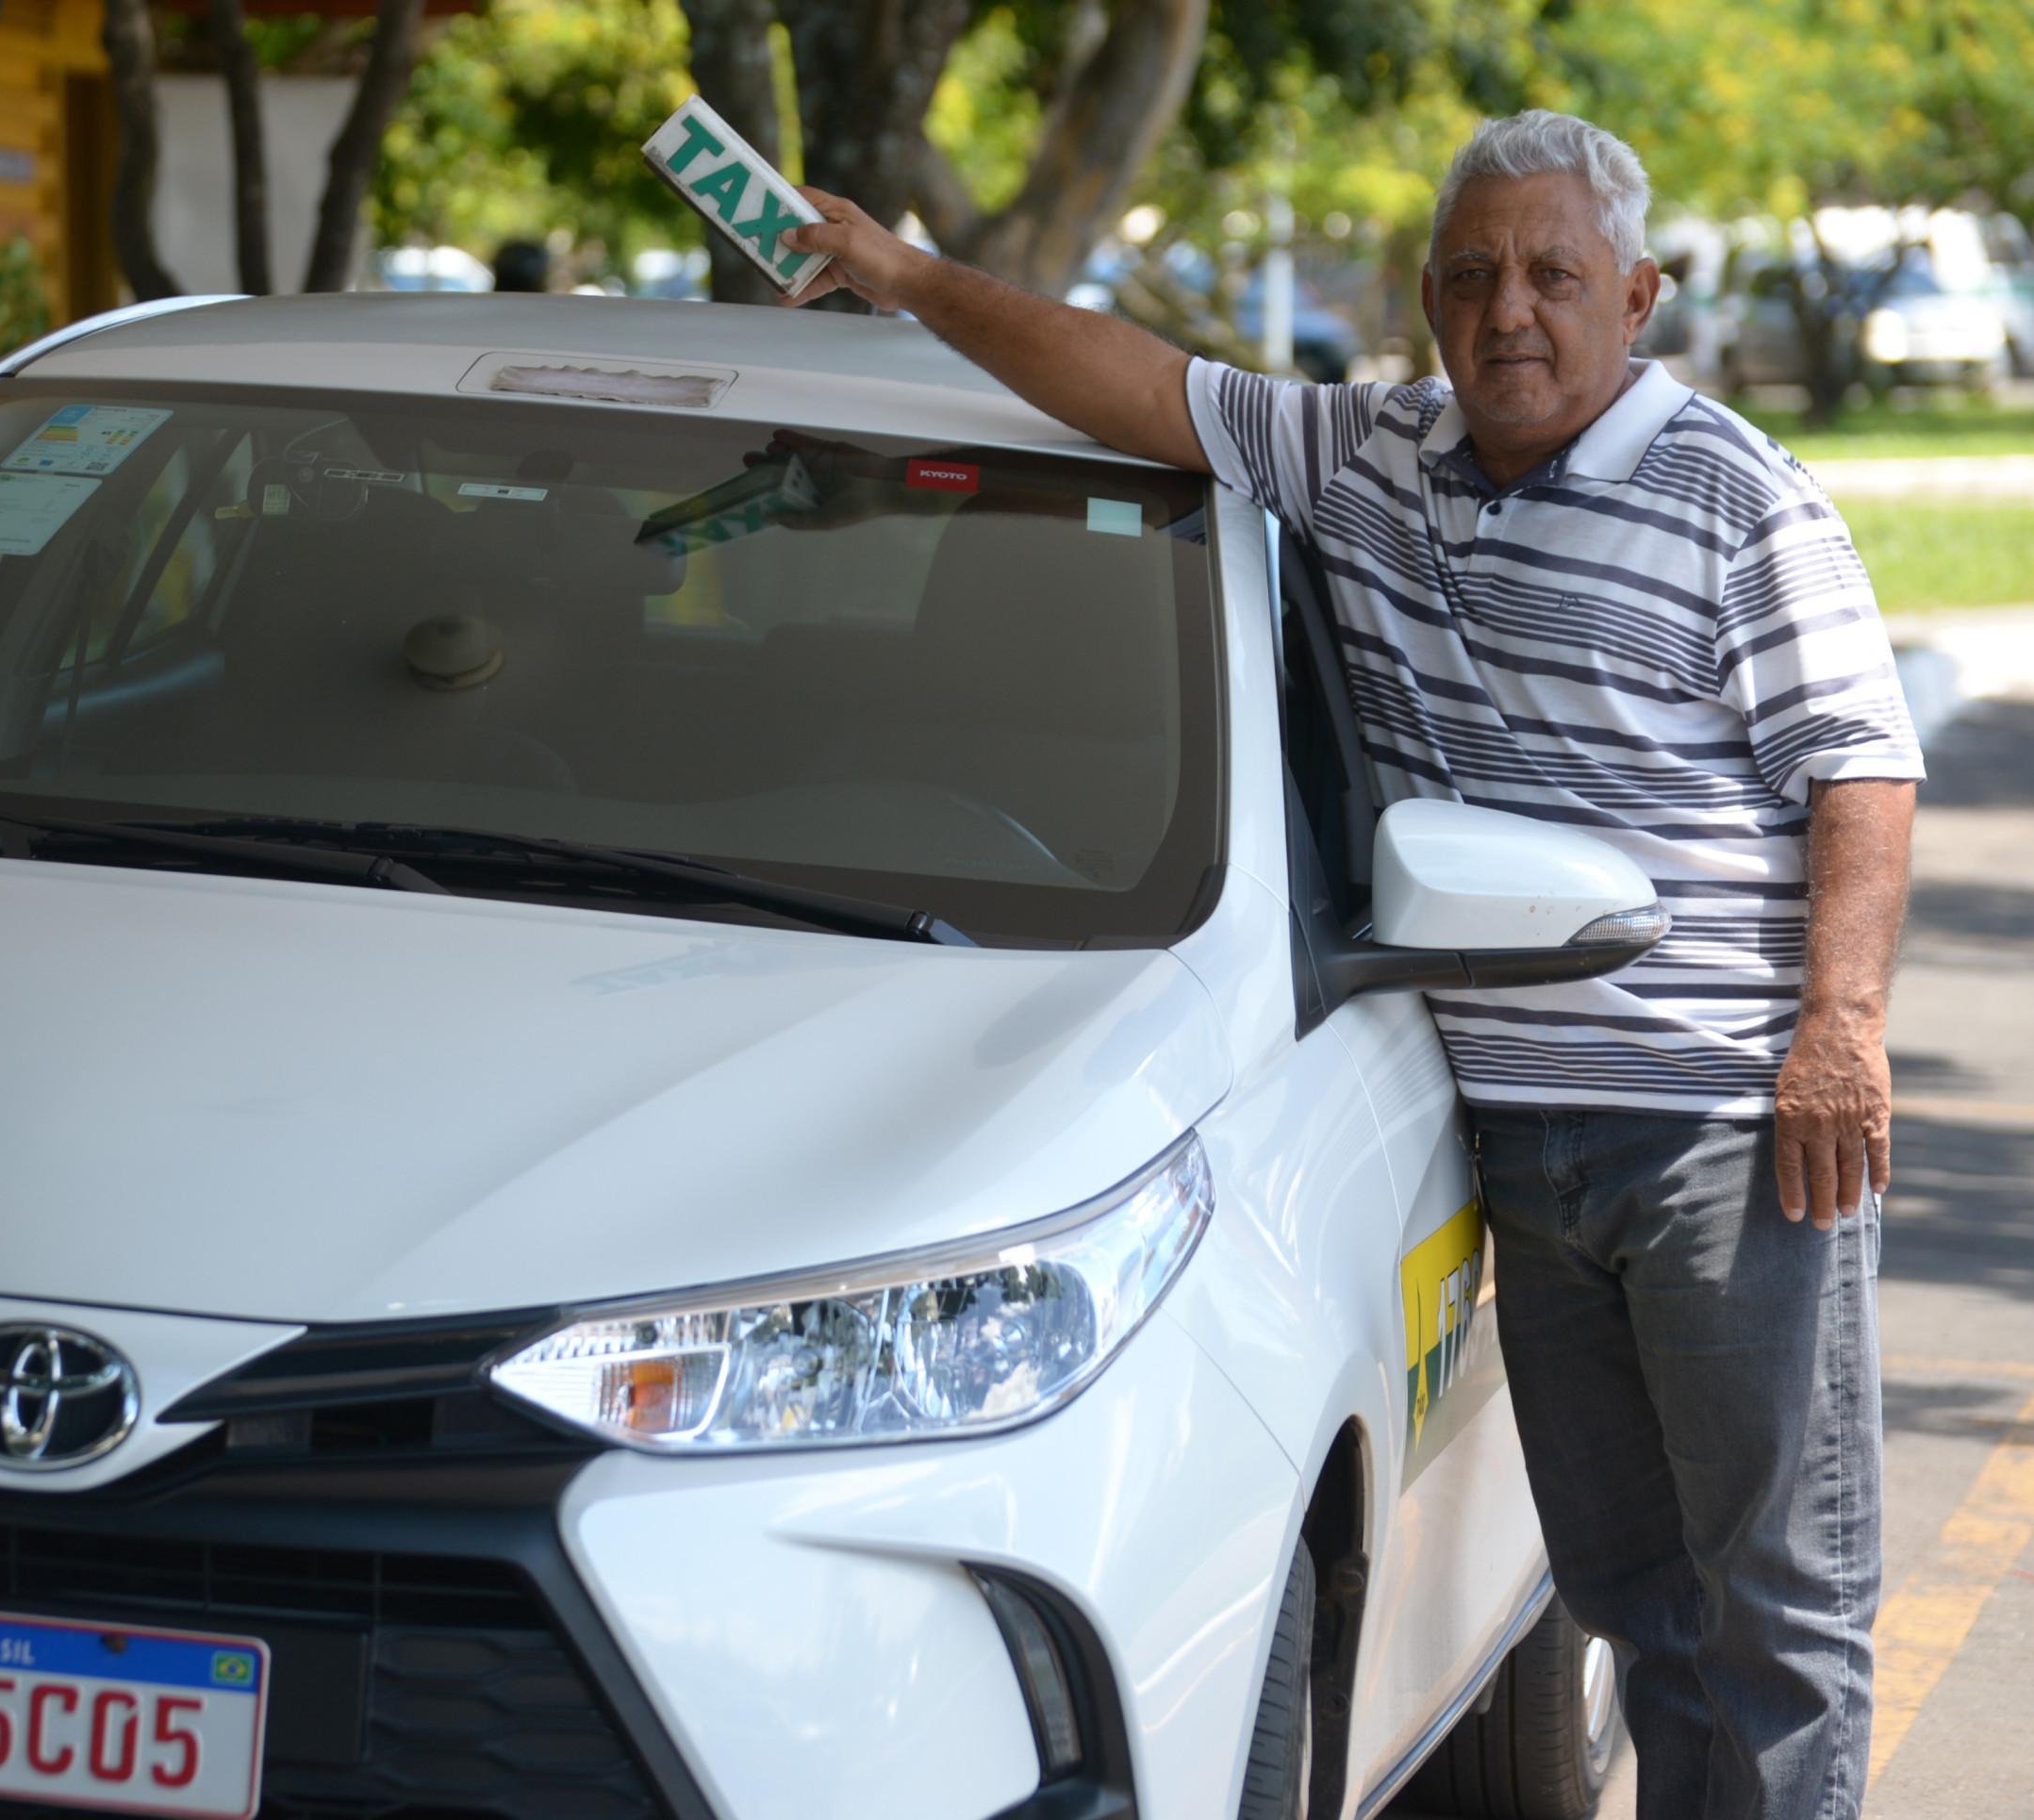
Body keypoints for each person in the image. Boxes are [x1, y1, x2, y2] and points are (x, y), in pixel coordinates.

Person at [782, 110, 1916, 1820]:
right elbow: (1127, 384)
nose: (1508, 312)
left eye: (1551, 273)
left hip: (1725, 1134)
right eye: (1469, 278)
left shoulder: (1740, 498)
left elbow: (1861, 765)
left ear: (1639, 295)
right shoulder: (1365, 456)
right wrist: (896, 271)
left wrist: (1837, 1027)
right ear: (1424, 303)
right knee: (1630, 1599)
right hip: (1519, 1140)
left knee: (1776, 1607)